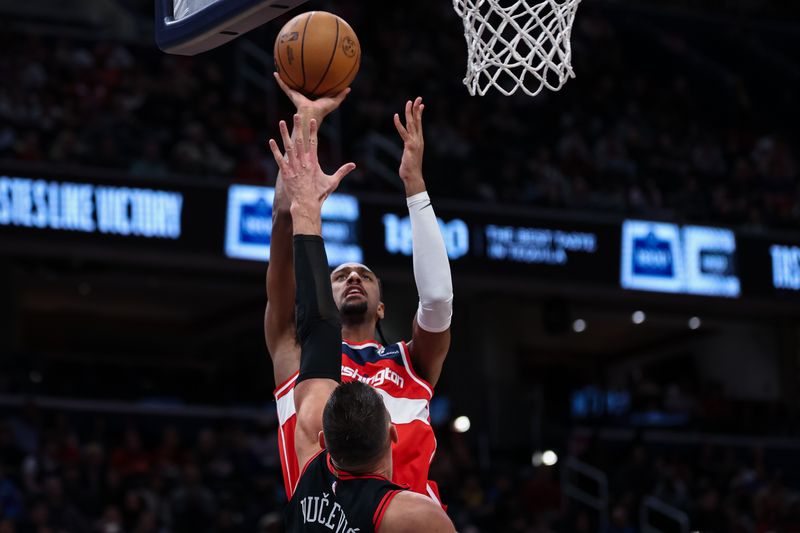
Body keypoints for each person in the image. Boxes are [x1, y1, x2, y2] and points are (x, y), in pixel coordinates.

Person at [266, 75, 454, 502]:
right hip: (326, 521)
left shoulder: (412, 362)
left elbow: (439, 301)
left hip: (406, 524)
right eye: (339, 275)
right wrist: (307, 124)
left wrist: (415, 186)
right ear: (321, 298)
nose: (352, 277)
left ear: (383, 307)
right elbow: (282, 220)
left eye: (364, 275)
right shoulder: (293, 350)